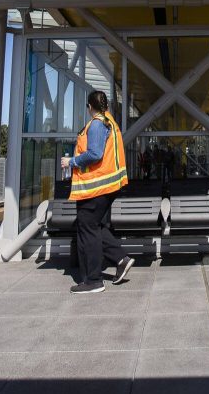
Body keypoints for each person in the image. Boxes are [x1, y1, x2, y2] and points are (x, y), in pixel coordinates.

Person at [60, 90, 134, 294]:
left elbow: (95, 153)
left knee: (87, 229)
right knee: (92, 225)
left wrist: (71, 161)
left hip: (96, 188)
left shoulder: (97, 125)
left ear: (90, 107)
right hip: (107, 186)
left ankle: (93, 280)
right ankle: (121, 259)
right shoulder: (110, 122)